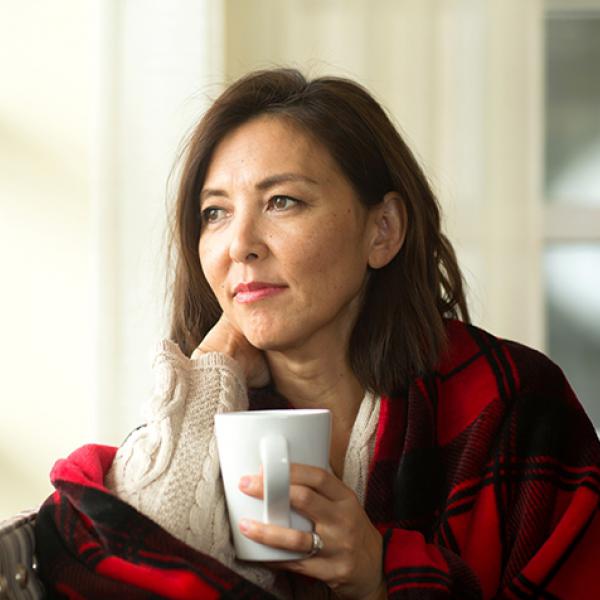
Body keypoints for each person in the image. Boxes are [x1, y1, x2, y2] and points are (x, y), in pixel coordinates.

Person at [35, 68, 600, 599]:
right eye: (215, 213)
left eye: (282, 202)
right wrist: (211, 372)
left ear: (383, 231)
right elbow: (109, 576)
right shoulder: (203, 415)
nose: (240, 244)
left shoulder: (514, 406)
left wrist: (385, 576)